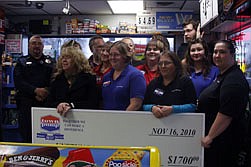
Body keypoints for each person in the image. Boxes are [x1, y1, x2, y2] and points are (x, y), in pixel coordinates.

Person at [197, 40, 250, 167]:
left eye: (222, 52)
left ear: (232, 55)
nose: (217, 55)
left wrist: (210, 136)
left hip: (225, 142)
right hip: (218, 142)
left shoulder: (233, 80)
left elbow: (226, 114)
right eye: (215, 52)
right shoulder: (223, 75)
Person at [14, 35, 55, 142]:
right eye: (34, 43)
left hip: (46, 104)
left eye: (39, 43)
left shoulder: (51, 62)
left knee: (47, 134)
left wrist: (46, 91)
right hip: (27, 105)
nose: (37, 46)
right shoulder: (21, 62)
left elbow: (55, 81)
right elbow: (19, 82)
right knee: (27, 134)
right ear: (28, 46)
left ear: (43, 46)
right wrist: (35, 91)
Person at [46, 45, 98, 117]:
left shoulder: (89, 78)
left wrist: (71, 105)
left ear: (77, 60)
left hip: (84, 119)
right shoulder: (57, 79)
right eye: (62, 58)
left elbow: (93, 103)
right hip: (60, 119)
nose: (64, 60)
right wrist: (60, 105)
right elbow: (49, 102)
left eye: (68, 57)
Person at [143, 51, 197, 118]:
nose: (163, 66)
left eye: (167, 63)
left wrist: (173, 109)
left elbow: (193, 106)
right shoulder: (154, 83)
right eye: (160, 63)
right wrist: (152, 108)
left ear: (176, 65)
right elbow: (144, 105)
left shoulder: (185, 82)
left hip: (180, 123)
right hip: (155, 124)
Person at [102, 41, 146, 111]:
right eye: (110, 54)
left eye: (116, 55)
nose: (112, 58)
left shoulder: (135, 76)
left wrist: (121, 119)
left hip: (127, 119)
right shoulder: (106, 77)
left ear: (125, 56)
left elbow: (136, 105)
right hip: (107, 118)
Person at [93, 41, 113, 108]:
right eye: (103, 50)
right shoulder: (94, 70)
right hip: (95, 104)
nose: (104, 53)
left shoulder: (115, 71)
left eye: (107, 51)